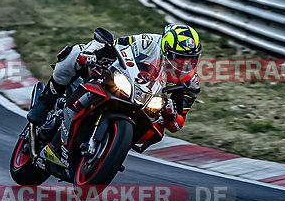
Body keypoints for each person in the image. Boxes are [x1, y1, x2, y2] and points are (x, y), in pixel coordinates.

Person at [27, 24, 202, 132]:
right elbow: (117, 47)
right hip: (125, 81)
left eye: (191, 59)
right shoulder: (149, 42)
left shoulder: (190, 83)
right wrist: (93, 55)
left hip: (145, 105)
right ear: (165, 51)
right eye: (178, 58)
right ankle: (45, 101)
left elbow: (178, 125)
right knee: (75, 52)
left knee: (155, 133)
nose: (184, 64)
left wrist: (171, 115)